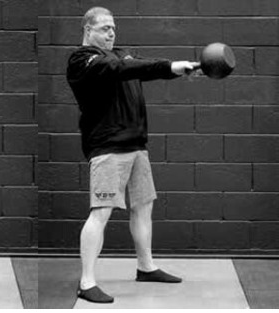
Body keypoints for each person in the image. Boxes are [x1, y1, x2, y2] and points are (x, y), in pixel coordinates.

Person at [66, 7, 200, 303]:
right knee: (101, 213)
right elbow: (120, 70)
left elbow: (142, 67)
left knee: (143, 206)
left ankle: (146, 267)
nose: (111, 33)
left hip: (136, 144)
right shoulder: (81, 60)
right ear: (88, 30)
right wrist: (170, 65)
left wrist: (180, 69)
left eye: (113, 27)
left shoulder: (122, 54)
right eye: (104, 28)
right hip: (108, 147)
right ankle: (86, 283)